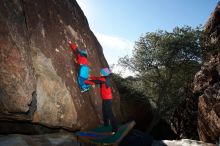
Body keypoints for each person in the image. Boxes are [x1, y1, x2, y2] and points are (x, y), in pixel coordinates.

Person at [85, 68, 118, 134]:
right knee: (104, 111)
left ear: (104, 74)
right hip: (105, 98)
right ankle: (106, 124)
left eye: (101, 72)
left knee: (110, 113)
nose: (100, 73)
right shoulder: (105, 78)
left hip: (107, 99)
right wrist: (91, 77)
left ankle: (115, 129)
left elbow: (95, 81)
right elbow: (97, 79)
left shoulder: (104, 79)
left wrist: (85, 81)